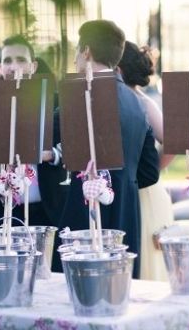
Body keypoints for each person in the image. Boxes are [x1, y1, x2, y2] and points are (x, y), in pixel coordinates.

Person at [58, 21, 160, 278]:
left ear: (87, 52)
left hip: (87, 214)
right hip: (127, 213)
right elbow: (150, 171)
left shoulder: (82, 92)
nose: (74, 59)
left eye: (76, 50)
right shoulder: (137, 102)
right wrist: (122, 183)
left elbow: (44, 133)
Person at [0, 35, 66, 230]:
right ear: (1, 66)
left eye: (21, 60)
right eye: (7, 61)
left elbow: (73, 149)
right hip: (10, 210)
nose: (13, 67)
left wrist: (51, 155)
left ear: (33, 66)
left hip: (51, 207)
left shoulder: (56, 103)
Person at [118, 42, 174, 281]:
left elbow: (173, 142)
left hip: (145, 193)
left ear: (119, 70)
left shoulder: (141, 103)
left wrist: (152, 170)